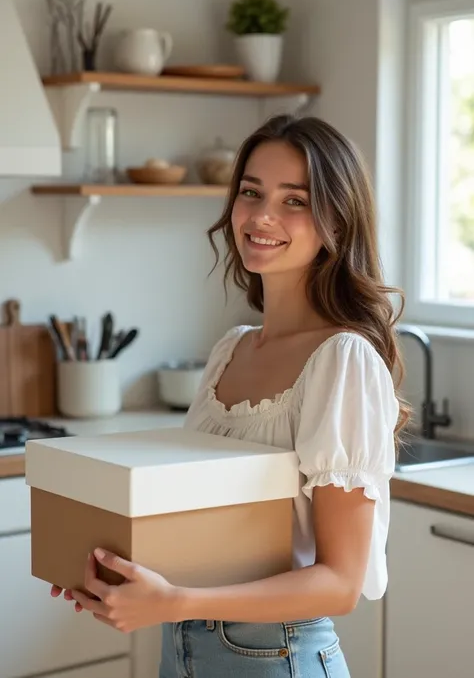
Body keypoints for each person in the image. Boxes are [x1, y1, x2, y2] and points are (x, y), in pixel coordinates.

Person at [51, 114, 409, 677]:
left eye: (295, 200)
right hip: (183, 651)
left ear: (336, 219)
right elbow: (202, 527)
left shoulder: (343, 360)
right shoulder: (231, 350)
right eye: (252, 192)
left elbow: (340, 584)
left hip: (278, 657)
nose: (262, 216)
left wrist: (178, 602)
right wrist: (117, 580)